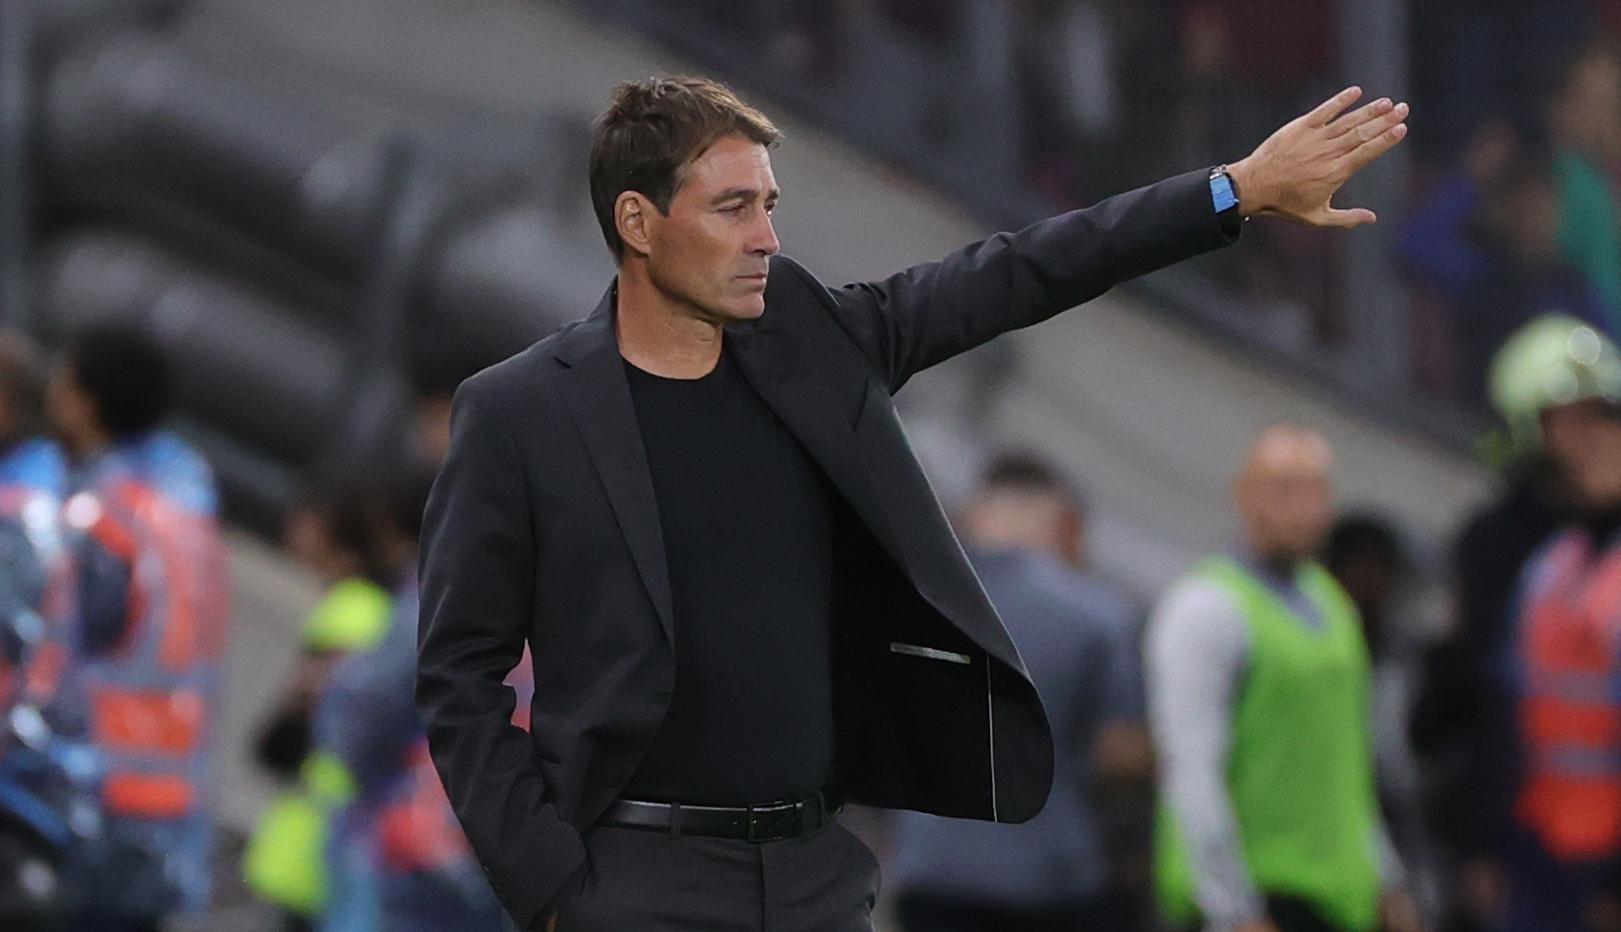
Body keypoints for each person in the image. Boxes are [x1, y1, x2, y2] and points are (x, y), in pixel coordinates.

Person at [415, 75, 1408, 932]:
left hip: (814, 875)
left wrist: (1233, 190)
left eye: (770, 203)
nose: (767, 236)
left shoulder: (810, 344)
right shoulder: (521, 411)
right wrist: (547, 886)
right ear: (637, 221)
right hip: (631, 881)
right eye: (732, 208)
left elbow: (1022, 269)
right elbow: (458, 670)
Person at [1146, 427, 1419, 932]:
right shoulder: (1206, 607)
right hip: (1251, 897)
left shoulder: (1330, 603)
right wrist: (1234, 909)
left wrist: (1387, 879)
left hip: (1333, 899)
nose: (1301, 508)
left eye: (1315, 491)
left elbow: (1346, 763)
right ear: (1244, 495)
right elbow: (1190, 767)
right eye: (1283, 489)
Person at [887, 452, 1148, 931]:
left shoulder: (909, 600)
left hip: (929, 870)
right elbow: (1122, 753)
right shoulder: (1098, 616)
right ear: (1067, 524)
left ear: (971, 514)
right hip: (1046, 879)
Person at [46, 326, 228, 931]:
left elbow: (52, 650)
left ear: (85, 400)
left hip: (91, 797)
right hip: (168, 803)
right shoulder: (183, 508)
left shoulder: (102, 518)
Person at [1458, 317, 1621, 931]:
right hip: (1536, 852)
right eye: (1572, 424)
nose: (1586, 445)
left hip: (1602, 860)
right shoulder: (1547, 567)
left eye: (1601, 423)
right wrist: (1486, 842)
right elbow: (1505, 707)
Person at [311, 469, 509, 932]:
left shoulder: (429, 605)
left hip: (404, 852)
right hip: (488, 863)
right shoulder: (538, 613)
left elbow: (358, 718)